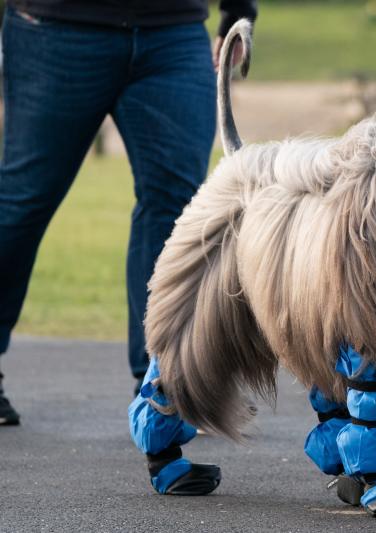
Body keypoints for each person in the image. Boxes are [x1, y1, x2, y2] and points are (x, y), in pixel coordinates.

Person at [0, 0, 255, 429]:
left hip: (172, 32)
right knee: (23, 200)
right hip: (54, 27)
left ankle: (166, 382)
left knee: (176, 211)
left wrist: (238, 10)